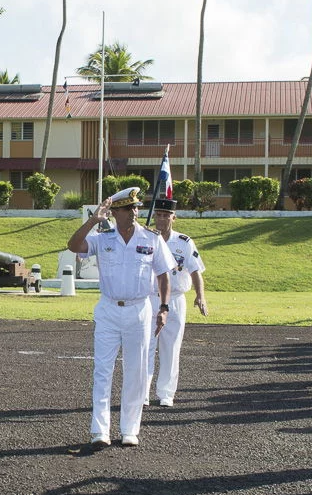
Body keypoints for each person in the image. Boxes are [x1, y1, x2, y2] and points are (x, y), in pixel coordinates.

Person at [68, 186, 174, 447]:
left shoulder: (151, 238)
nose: (135, 212)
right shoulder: (102, 238)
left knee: (136, 373)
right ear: (115, 212)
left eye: (136, 207)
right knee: (103, 371)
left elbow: (163, 274)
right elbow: (74, 246)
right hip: (108, 310)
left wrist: (164, 308)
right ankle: (100, 431)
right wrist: (94, 219)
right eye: (129, 208)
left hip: (139, 310)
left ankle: (129, 429)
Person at [147, 194, 208, 407]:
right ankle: (142, 393)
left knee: (171, 348)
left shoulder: (184, 242)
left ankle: (165, 393)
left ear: (174, 217)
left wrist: (200, 295)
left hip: (175, 300)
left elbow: (195, 270)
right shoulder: (146, 238)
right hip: (149, 298)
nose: (162, 219)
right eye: (159, 215)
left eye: (166, 215)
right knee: (146, 346)